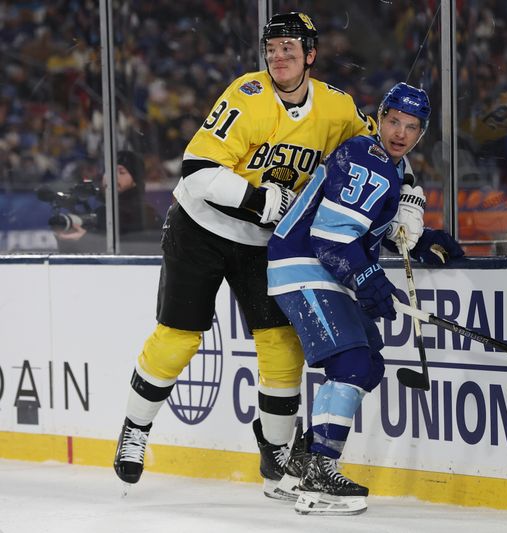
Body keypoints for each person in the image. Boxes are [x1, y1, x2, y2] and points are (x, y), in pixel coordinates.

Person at [112, 12, 380, 500]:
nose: (278, 56)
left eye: (289, 48)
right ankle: (135, 430)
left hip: (262, 243)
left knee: (281, 347)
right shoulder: (247, 95)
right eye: (271, 47)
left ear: (310, 55)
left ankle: (275, 455)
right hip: (202, 227)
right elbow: (196, 171)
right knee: (178, 340)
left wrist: (408, 197)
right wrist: (264, 202)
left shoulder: (337, 108)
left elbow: (377, 153)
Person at [266, 82, 464, 515]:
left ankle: (300, 466)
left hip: (321, 269)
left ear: (420, 133)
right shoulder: (366, 158)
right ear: (379, 119)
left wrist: (421, 237)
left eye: (411, 127)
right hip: (304, 266)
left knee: (369, 363)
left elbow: (362, 228)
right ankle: (321, 468)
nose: (400, 133)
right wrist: (368, 277)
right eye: (393, 121)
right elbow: (331, 239)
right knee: (351, 363)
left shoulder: (384, 164)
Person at [49, 150, 163, 253]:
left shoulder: (144, 213)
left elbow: (136, 250)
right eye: (108, 171)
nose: (112, 177)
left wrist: (87, 240)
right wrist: (67, 242)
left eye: (121, 172)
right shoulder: (101, 213)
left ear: (135, 181)